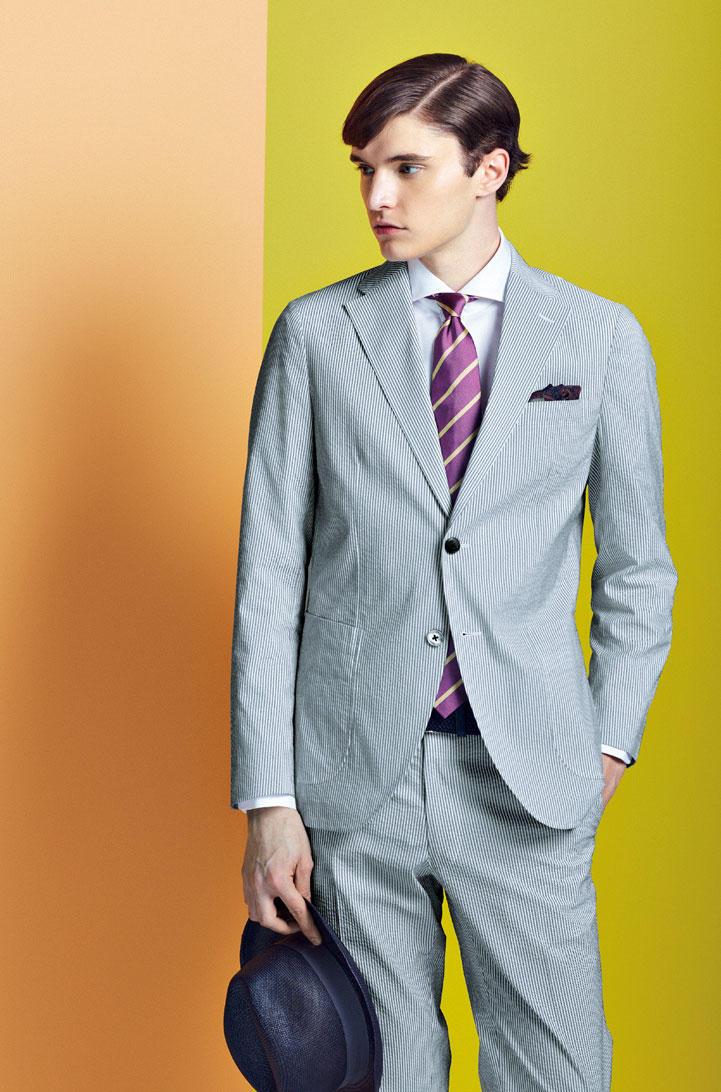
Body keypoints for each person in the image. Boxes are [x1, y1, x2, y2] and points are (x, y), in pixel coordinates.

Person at [230, 52, 677, 1092]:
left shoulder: (598, 339)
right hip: (353, 781)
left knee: (556, 1072)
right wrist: (269, 801)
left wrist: (603, 745)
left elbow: (638, 572)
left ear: (490, 169)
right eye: (363, 170)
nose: (377, 198)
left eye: (406, 168)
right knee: (381, 1071)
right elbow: (269, 577)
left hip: (527, 775)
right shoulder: (315, 334)